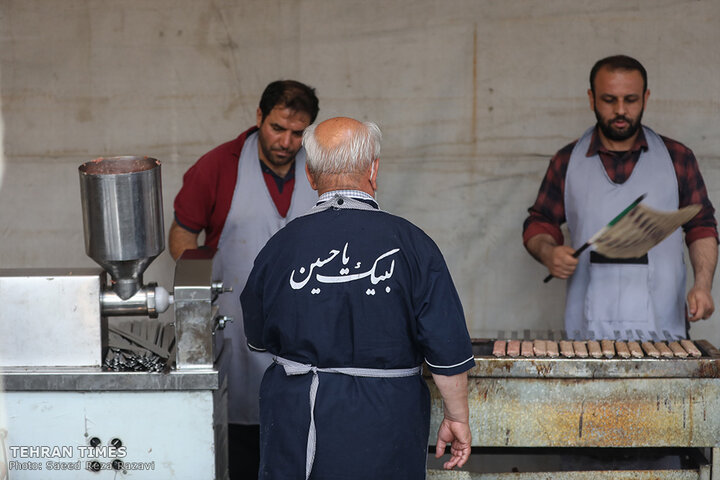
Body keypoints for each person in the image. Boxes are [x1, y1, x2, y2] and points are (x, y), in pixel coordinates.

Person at [240, 117, 474, 479]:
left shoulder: (281, 246)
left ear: (311, 177)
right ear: (373, 170)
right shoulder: (413, 244)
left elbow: (256, 336)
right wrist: (457, 417)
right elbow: (446, 347)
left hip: (297, 420)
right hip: (385, 421)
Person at [169, 80, 320, 479]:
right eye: (277, 128)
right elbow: (183, 233)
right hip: (234, 327)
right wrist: (198, 286)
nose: (286, 142)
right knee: (239, 438)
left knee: (303, 431)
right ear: (258, 117)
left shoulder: (321, 169)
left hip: (308, 331)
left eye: (297, 132)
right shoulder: (218, 165)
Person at [523, 55, 718, 341]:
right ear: (591, 99)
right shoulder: (567, 161)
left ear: (646, 98)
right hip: (586, 334)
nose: (620, 110)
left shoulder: (678, 158)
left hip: (664, 332)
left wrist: (703, 286)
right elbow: (539, 222)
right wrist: (548, 252)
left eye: (631, 99)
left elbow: (701, 227)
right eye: (608, 99)